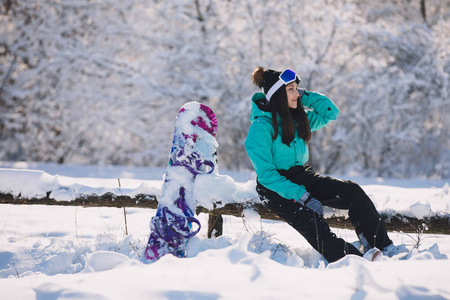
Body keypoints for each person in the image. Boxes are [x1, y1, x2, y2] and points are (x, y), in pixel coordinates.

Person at [244, 67, 398, 263]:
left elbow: (330, 112)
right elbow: (266, 174)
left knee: (352, 191)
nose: (296, 94)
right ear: (278, 95)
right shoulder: (261, 128)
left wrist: (305, 96)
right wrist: (301, 196)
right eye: (290, 89)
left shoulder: (298, 119)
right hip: (275, 188)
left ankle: (383, 247)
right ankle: (358, 260)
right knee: (314, 223)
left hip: (303, 176)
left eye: (297, 89)